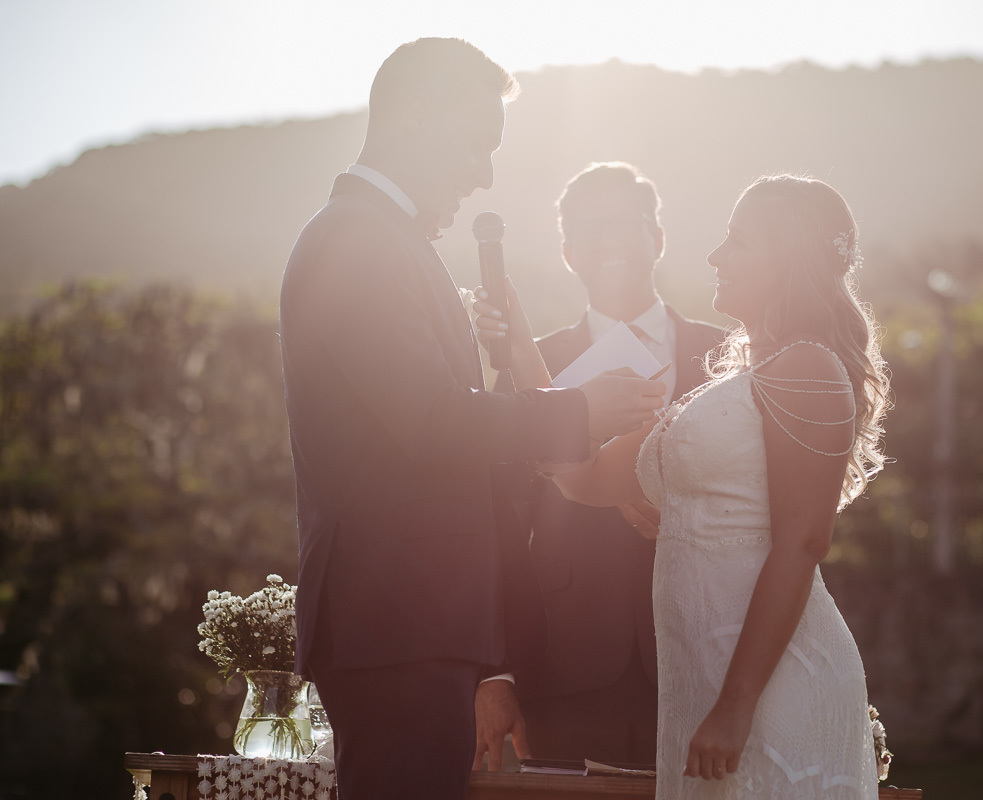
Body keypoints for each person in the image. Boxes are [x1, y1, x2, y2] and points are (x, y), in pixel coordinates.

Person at [278, 39, 666, 800]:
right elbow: (430, 423)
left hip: (411, 622)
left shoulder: (383, 240)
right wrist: (577, 414)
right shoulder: (357, 239)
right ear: (418, 117)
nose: (485, 174)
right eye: (478, 146)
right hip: (397, 619)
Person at [474, 175, 889, 798]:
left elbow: (802, 543)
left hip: (753, 684)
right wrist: (518, 339)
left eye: (737, 243)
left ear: (788, 260)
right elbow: (582, 478)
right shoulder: (735, 381)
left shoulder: (806, 367)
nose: (715, 256)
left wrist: (736, 704)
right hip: (691, 674)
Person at [473, 163, 725, 769]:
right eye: (588, 230)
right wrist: (497, 672)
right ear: (567, 252)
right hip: (566, 666)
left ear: (657, 237)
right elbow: (501, 518)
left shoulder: (724, 357)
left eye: (623, 224)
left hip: (707, 658)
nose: (607, 241)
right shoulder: (535, 360)